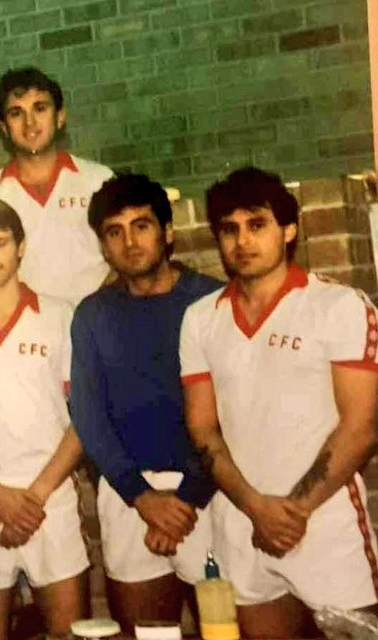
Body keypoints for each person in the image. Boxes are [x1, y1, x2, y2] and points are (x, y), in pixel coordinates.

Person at [181, 167, 378, 638]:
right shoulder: (200, 319)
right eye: (229, 229)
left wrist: (293, 512)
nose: (242, 241)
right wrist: (256, 509)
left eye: (257, 224)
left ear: (289, 230)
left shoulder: (338, 306)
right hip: (242, 521)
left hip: (324, 521)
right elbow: (202, 428)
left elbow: (363, 427)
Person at [70, 174, 222, 633]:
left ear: (167, 232)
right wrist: (141, 497)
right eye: (114, 232)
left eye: (141, 226)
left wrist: (188, 498)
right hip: (129, 496)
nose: (130, 242)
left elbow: (232, 410)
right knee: (148, 633)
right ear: (103, 246)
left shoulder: (212, 301)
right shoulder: (93, 315)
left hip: (210, 492)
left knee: (223, 628)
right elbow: (89, 415)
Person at [0, 198, 89, 638]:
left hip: (48, 498)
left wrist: (34, 497)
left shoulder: (59, 316)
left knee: (70, 634)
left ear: (21, 247)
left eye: (0, 243)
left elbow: (84, 418)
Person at [0, 67, 113, 307]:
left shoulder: (99, 181)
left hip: (99, 318)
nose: (30, 122)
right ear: (3, 127)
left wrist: (94, 312)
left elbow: (124, 260)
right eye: (16, 113)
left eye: (40, 108)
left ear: (60, 117)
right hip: (27, 325)